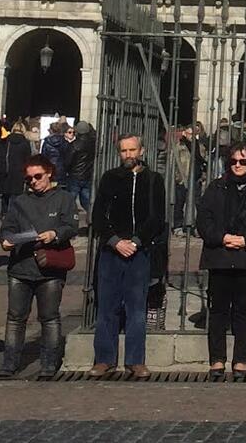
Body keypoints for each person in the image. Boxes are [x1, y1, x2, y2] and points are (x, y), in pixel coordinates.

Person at [198, 142, 246, 381]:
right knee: (218, 310)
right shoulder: (216, 188)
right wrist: (223, 238)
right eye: (233, 161)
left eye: (243, 161)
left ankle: (241, 360)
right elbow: (204, 220)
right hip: (220, 256)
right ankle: (217, 359)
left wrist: (245, 240)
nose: (238, 166)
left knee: (244, 311)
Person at [91, 134, 166, 378]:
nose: (128, 155)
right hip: (111, 251)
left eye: (132, 150)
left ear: (141, 151)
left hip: (139, 251)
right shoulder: (110, 178)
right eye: (124, 151)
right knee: (106, 307)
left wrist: (135, 241)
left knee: (136, 308)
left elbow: (156, 218)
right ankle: (104, 358)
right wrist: (115, 241)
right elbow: (98, 216)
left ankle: (135, 360)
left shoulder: (154, 180)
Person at [0, 155, 78, 378]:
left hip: (50, 267)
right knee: (15, 317)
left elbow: (71, 226)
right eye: (29, 178)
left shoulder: (64, 198)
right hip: (20, 266)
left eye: (37, 176)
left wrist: (55, 234)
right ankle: (10, 362)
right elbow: (7, 227)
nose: (33, 181)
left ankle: (49, 363)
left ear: (49, 173)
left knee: (49, 317)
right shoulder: (19, 201)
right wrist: (5, 240)